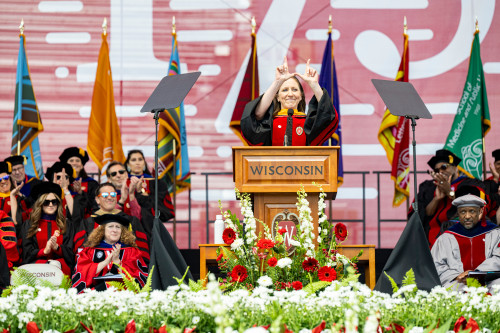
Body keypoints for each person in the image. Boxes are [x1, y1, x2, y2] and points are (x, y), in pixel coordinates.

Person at [241, 57, 338, 146]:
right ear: (278, 97)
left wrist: (314, 85)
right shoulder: (269, 124)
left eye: (295, 90)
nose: (290, 94)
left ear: (301, 96)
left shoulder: (308, 125)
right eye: (285, 90)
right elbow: (255, 116)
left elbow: (329, 117)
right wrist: (277, 82)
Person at [409, 149, 489, 246]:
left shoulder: (470, 184)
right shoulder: (428, 187)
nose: (441, 171)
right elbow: (421, 215)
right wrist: (436, 199)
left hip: (457, 234)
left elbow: (477, 207)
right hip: (430, 237)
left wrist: (449, 192)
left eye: (444, 167)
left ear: (455, 168)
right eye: (436, 170)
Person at [431, 193, 500, 291]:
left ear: (480, 212)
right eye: (463, 212)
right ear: (458, 214)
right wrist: (457, 276)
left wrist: (477, 273)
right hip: (458, 282)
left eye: (472, 211)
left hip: (488, 281)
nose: (467, 216)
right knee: (450, 289)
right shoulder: (446, 238)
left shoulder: (495, 233)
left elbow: (498, 258)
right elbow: (437, 265)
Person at [72, 182, 150, 262]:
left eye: (113, 194)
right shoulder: (87, 223)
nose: (109, 197)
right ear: (97, 200)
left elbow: (142, 252)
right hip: (96, 268)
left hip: (126, 267)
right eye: (105, 195)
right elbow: (81, 254)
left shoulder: (130, 221)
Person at [71, 213, 149, 293]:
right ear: (103, 230)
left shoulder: (131, 251)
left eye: (118, 227)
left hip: (123, 293)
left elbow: (137, 277)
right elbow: (82, 272)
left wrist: (117, 262)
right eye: (110, 226)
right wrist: (106, 261)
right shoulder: (90, 251)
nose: (114, 230)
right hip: (94, 293)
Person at [21, 182, 74, 275]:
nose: (51, 205)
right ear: (40, 204)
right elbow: (26, 253)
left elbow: (71, 253)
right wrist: (44, 251)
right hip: (36, 270)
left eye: (54, 201)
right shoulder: (30, 224)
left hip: (61, 270)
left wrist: (57, 248)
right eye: (46, 202)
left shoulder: (67, 225)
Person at [107, 161, 174, 233]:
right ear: (109, 179)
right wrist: (122, 201)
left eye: (121, 172)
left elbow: (140, 218)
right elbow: (108, 220)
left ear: (126, 174)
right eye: (114, 174)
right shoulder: (106, 197)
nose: (118, 175)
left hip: (139, 237)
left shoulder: (139, 192)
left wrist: (133, 195)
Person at [59, 147, 99, 217]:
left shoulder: (92, 184)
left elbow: (94, 205)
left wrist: (81, 193)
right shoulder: (60, 183)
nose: (74, 163)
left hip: (85, 222)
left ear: (82, 165)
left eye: (77, 160)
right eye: (71, 160)